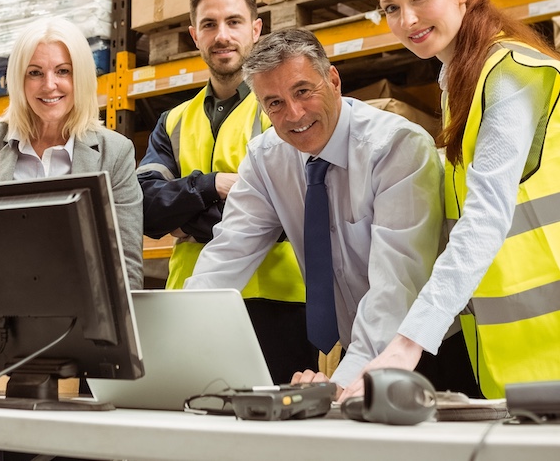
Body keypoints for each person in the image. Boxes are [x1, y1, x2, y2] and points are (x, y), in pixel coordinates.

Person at [185, 27, 445, 397]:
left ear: (333, 79)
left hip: (425, 347)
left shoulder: (396, 147)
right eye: (274, 103)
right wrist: (174, 345)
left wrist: (340, 385)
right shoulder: (266, 159)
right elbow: (226, 255)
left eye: (303, 91)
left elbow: (396, 290)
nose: (294, 114)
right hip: (360, 348)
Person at [360, 0, 560, 400]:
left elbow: (486, 216)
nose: (406, 19)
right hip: (515, 352)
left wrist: (409, 343)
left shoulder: (511, 73)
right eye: (390, 7)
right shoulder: (459, 79)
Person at [137, 0, 316, 383]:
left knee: (271, 440)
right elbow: (145, 208)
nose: (222, 36)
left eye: (234, 22)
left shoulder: (282, 110)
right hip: (192, 303)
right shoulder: (174, 121)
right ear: (193, 36)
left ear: (256, 29)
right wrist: (212, 185)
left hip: (278, 303)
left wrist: (186, 221)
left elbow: (287, 210)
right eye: (209, 25)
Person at [0, 16, 144, 290]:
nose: (49, 85)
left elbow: (126, 264)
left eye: (63, 71)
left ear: (80, 76)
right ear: (19, 80)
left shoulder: (114, 152)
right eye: (35, 72)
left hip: (82, 316)